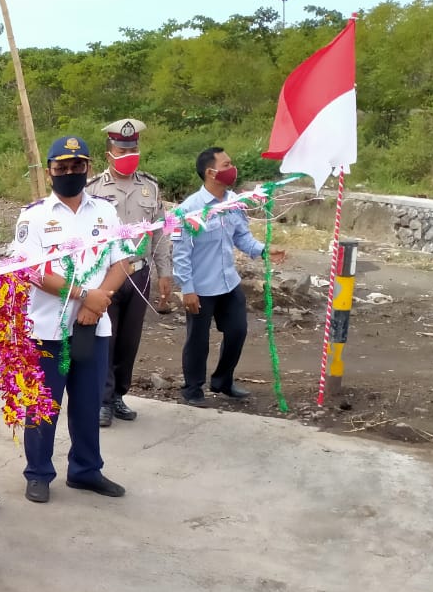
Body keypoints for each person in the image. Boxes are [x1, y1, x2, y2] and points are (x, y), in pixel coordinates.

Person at [19, 136, 131, 505]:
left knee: (86, 404)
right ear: (49, 170)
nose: (69, 173)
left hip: (92, 328)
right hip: (48, 329)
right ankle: (38, 473)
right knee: (43, 406)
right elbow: (34, 271)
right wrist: (85, 295)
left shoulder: (106, 212)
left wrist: (97, 305)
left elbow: (121, 262)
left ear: (88, 168)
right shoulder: (34, 216)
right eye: (61, 167)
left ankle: (85, 470)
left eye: (76, 166)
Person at [174, 148, 286, 407]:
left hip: (228, 282)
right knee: (198, 340)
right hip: (201, 287)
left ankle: (223, 380)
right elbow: (180, 254)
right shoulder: (189, 210)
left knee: (237, 331)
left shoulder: (234, 202)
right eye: (227, 164)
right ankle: (192, 388)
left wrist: (264, 250)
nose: (232, 168)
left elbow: (241, 237)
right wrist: (187, 289)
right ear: (211, 172)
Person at [87, 118, 173, 427]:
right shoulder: (93, 189)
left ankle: (119, 394)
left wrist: (165, 271)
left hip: (139, 272)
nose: (128, 153)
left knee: (129, 339)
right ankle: (102, 399)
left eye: (133, 148)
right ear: (109, 152)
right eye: (122, 149)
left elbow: (161, 233)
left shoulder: (150, 187)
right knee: (105, 338)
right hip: (106, 274)